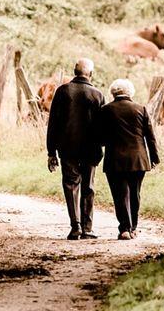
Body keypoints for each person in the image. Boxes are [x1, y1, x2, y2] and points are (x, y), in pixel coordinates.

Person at [46, 58, 105, 240]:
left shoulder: (63, 91)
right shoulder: (97, 94)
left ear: (74, 71)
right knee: (88, 186)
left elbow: (53, 124)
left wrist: (51, 152)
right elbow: (103, 126)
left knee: (71, 185)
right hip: (91, 149)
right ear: (91, 74)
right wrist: (101, 146)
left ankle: (75, 226)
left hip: (67, 148)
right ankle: (88, 228)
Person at [99, 79, 159, 240]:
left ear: (113, 92)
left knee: (119, 194)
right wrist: (154, 158)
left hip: (115, 160)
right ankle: (133, 228)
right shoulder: (141, 109)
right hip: (138, 159)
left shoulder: (105, 110)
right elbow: (150, 137)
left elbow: (100, 137)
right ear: (130, 92)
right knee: (135, 193)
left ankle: (124, 228)